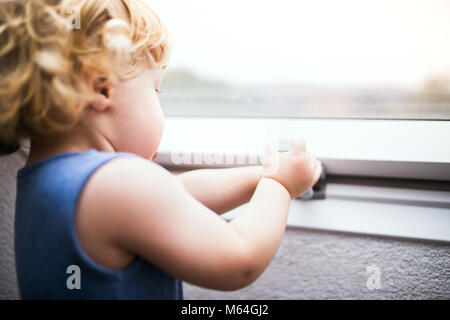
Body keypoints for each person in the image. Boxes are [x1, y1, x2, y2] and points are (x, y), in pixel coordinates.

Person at [0, 0, 322, 299]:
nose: (159, 100)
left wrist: (263, 175)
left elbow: (172, 194)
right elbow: (241, 258)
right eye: (156, 88)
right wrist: (279, 186)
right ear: (102, 88)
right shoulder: (114, 183)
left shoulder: (44, 181)